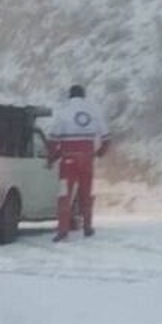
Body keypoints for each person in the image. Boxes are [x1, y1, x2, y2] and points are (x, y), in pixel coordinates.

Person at [47, 84, 110, 242]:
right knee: (86, 194)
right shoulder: (94, 111)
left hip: (68, 160)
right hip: (87, 159)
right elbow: (106, 139)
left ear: (70, 95)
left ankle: (63, 231)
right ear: (83, 95)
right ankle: (87, 227)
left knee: (64, 195)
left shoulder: (63, 111)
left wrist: (51, 158)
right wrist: (99, 153)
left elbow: (53, 139)